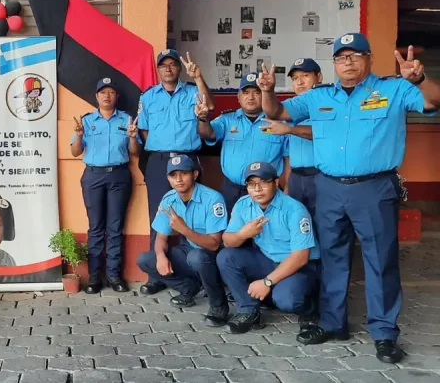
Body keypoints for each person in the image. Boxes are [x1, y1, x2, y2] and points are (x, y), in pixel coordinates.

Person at [261, 33, 440, 363]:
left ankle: (384, 333)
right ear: (334, 64)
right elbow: (278, 112)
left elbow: (433, 102)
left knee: (379, 261)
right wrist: (268, 90)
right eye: (342, 57)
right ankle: (333, 322)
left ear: (369, 58)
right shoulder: (318, 97)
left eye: (355, 55)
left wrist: (420, 79)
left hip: (374, 188)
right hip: (328, 187)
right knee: (333, 258)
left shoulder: (393, 89)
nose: (348, 62)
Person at [137, 49, 215, 296]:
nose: (168, 69)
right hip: (159, 161)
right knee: (158, 215)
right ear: (158, 70)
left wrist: (199, 78)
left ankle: (194, 273)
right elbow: (145, 131)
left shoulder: (193, 91)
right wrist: (162, 148)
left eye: (172, 65)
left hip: (187, 159)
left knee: (191, 215)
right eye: (163, 66)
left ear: (179, 69)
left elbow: (209, 106)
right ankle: (157, 275)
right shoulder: (148, 97)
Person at [257, 58, 323, 330]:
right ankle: (296, 286)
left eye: (305, 76)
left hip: (323, 178)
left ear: (318, 77)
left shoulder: (326, 101)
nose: (299, 82)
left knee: (324, 239)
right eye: (295, 77)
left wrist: (291, 128)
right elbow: (273, 113)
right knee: (297, 235)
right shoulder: (293, 108)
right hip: (297, 178)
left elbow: (326, 133)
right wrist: (267, 90)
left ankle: (319, 303)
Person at [217, 162, 319, 335]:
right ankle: (249, 311)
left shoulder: (294, 209)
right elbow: (227, 240)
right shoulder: (243, 205)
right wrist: (243, 234)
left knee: (286, 301)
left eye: (263, 182)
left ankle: (312, 308)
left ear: (276, 182)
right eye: (251, 184)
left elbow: (301, 256)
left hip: (299, 266)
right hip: (268, 259)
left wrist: (266, 282)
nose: (257, 189)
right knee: (226, 257)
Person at [136, 155, 229, 326]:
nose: (178, 179)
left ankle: (218, 306)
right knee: (146, 260)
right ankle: (189, 288)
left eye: (184, 174)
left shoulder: (213, 199)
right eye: (173, 175)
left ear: (194, 174)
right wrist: (160, 256)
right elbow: (161, 238)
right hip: (188, 250)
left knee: (197, 257)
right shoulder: (169, 199)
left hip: (213, 255)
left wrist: (183, 229)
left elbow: (214, 243)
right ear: (168, 179)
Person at [71, 77, 140, 293]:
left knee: (115, 227)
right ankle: (94, 277)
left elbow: (135, 152)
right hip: (93, 177)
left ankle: (114, 275)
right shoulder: (87, 121)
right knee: (96, 228)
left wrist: (131, 138)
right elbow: (75, 152)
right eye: (103, 92)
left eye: (111, 92)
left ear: (116, 96)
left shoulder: (127, 119)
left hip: (119, 176)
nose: (107, 96)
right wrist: (79, 136)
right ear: (96, 96)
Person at [196, 72, 290, 214]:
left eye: (256, 92)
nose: (250, 97)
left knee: (268, 233)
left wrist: (287, 189)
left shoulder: (279, 123)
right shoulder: (227, 119)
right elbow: (208, 134)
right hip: (232, 190)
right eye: (245, 92)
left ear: (265, 94)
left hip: (266, 191)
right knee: (232, 233)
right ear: (238, 97)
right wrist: (203, 119)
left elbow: (288, 160)